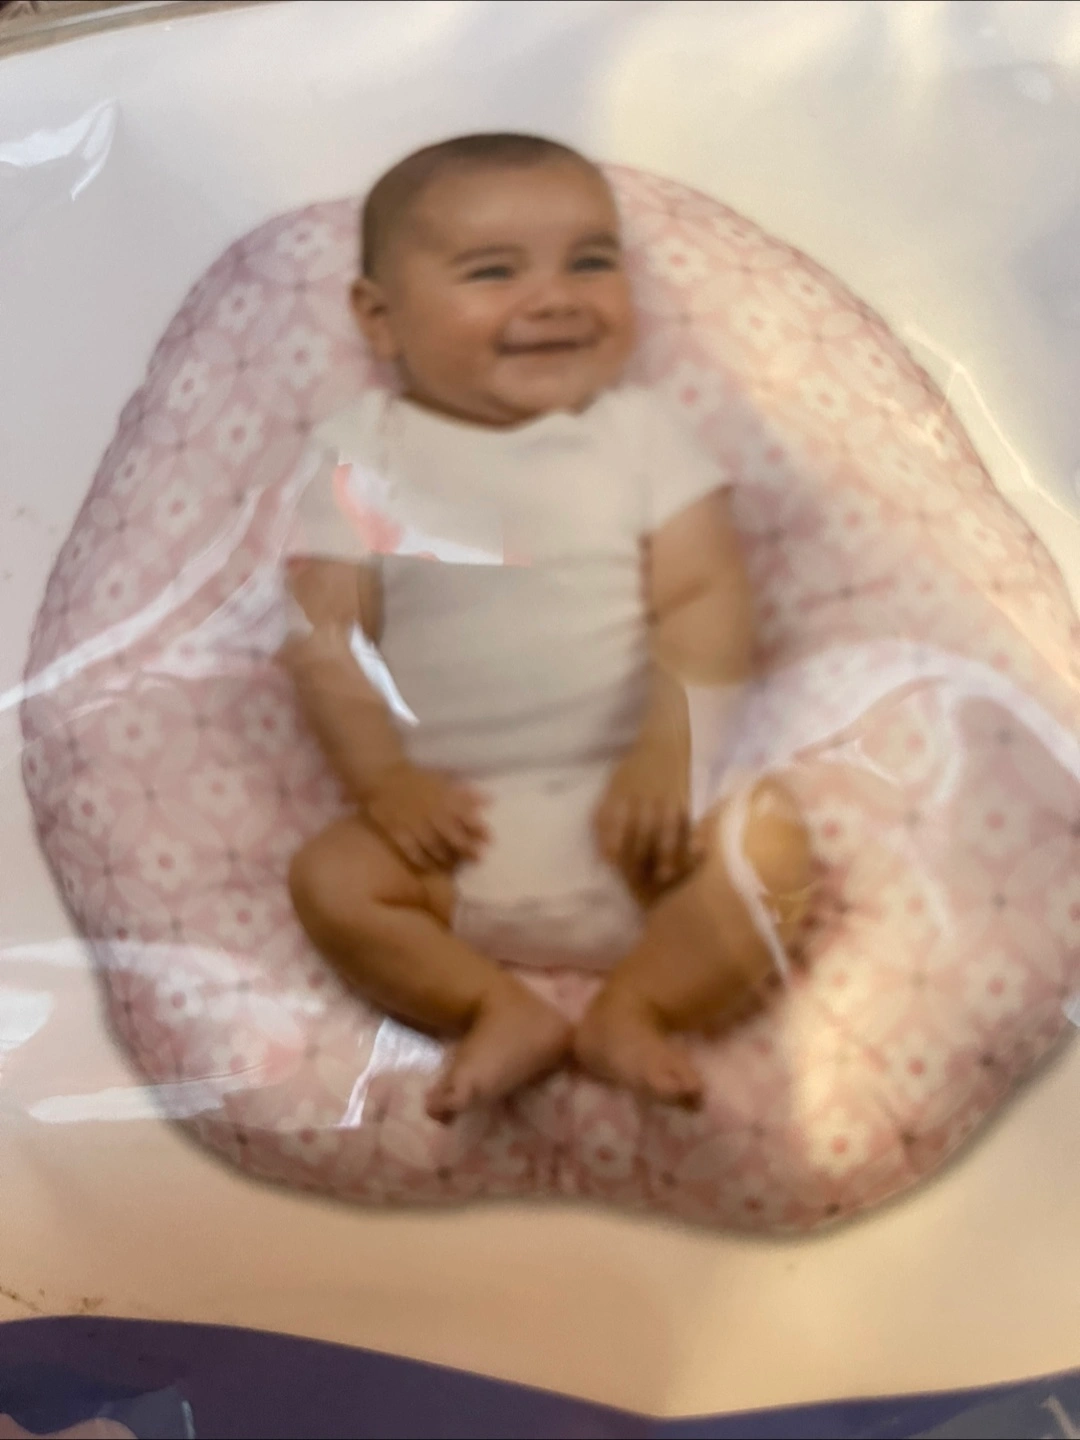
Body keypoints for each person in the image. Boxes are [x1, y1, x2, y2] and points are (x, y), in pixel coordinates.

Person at [280, 133, 812, 1122]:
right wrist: (384, 785)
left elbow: (705, 596)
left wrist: (672, 754)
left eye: (591, 261)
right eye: (493, 272)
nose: (557, 297)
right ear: (380, 318)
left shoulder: (639, 433)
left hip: (644, 826)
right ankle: (491, 1005)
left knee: (770, 842)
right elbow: (326, 638)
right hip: (446, 845)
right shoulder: (365, 449)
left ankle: (639, 1007)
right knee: (329, 879)